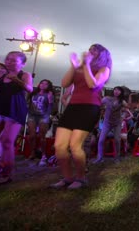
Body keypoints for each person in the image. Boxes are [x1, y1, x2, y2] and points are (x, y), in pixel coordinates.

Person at [50, 44, 112, 189]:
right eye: (90, 49)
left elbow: (92, 84)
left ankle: (81, 178)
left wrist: (86, 65)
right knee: (59, 146)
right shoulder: (80, 67)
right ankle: (67, 178)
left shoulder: (104, 69)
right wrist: (74, 66)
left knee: (75, 145)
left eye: (95, 50)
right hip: (72, 107)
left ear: (102, 54)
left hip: (89, 107)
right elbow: (65, 83)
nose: (90, 51)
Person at [0, 52, 33, 184]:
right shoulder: (1, 75)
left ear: (22, 63)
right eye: (8, 59)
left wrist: (16, 79)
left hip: (14, 111)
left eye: (14, 60)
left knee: (7, 141)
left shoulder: (24, 75)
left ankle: (6, 174)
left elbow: (29, 89)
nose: (9, 62)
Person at [92, 86, 131, 164]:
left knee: (117, 140)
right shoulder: (107, 99)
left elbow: (128, 106)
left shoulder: (122, 101)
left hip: (117, 124)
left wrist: (129, 97)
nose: (116, 91)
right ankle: (100, 158)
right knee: (101, 140)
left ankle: (117, 158)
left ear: (121, 93)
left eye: (118, 90)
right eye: (115, 89)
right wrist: (96, 94)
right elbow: (99, 103)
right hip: (107, 123)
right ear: (113, 91)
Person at [27, 79, 55, 166]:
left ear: (48, 86)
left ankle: (43, 154)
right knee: (31, 135)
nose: (43, 85)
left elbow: (51, 108)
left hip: (43, 116)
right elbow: (28, 103)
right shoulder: (33, 93)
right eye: (42, 83)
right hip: (32, 115)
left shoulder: (49, 95)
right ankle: (32, 152)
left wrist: (50, 101)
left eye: (46, 84)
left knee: (42, 136)